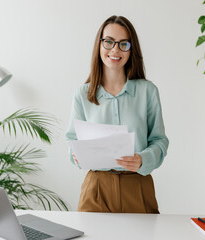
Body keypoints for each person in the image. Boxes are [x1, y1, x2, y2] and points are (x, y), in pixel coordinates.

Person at [66, 15, 169, 213]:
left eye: (123, 44)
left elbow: (159, 140)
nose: (115, 50)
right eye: (109, 42)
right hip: (96, 187)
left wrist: (143, 159)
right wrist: (75, 154)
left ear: (132, 49)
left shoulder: (148, 91)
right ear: (99, 44)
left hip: (137, 185)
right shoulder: (82, 94)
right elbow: (72, 140)